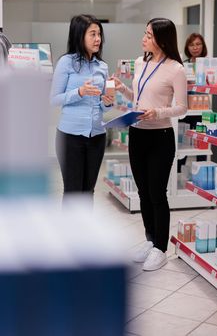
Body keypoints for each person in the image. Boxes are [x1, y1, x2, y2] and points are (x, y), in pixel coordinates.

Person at [114, 18, 187, 271]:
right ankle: (149, 239)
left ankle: (160, 248)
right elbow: (139, 97)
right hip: (137, 134)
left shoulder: (176, 69)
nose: (143, 38)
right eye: (144, 33)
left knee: (157, 194)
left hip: (160, 137)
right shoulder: (139, 62)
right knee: (143, 192)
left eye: (148, 34)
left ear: (161, 39)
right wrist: (123, 88)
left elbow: (182, 107)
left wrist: (156, 112)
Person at [50, 14, 114, 202]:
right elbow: (54, 99)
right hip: (70, 137)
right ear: (80, 36)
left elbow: (103, 107)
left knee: (88, 192)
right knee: (72, 192)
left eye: (99, 34)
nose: (98, 39)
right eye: (92, 34)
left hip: (97, 137)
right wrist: (79, 92)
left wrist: (108, 101)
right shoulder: (66, 62)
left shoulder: (102, 66)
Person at [178, 33, 208, 172]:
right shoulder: (183, 65)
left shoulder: (209, 65)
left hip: (201, 111)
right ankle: (177, 175)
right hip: (185, 110)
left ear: (203, 46)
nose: (195, 47)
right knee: (182, 144)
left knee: (201, 144)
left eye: (198, 44)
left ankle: (201, 173)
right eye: (192, 45)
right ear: (187, 47)